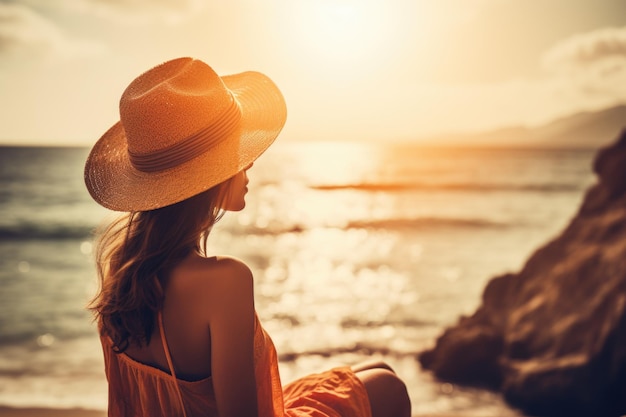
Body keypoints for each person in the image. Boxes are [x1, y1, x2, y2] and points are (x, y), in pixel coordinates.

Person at [85, 57, 411, 417]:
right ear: (210, 176)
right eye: (236, 151)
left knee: (377, 370)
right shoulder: (225, 281)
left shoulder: (124, 271)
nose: (249, 162)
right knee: (389, 389)